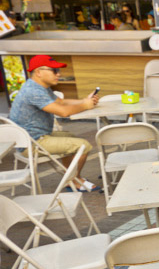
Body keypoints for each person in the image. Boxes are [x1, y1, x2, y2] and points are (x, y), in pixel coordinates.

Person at [9, 55, 99, 191]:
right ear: (38, 72)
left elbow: (61, 102)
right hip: (32, 143)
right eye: (54, 70)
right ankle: (74, 180)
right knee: (83, 146)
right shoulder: (33, 91)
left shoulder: (39, 87)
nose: (59, 74)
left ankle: (72, 178)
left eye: (58, 70)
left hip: (36, 137)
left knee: (73, 138)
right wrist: (85, 106)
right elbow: (62, 112)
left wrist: (84, 100)